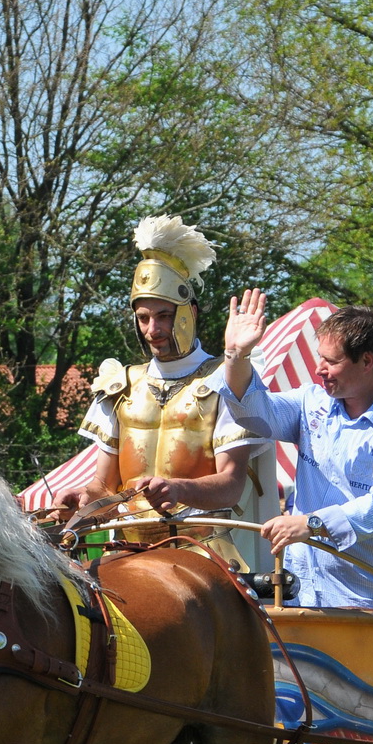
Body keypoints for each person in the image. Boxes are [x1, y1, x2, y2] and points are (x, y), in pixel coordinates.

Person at [208, 291, 373, 611]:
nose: (318, 369)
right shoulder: (310, 402)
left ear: (367, 362)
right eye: (320, 357)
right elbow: (251, 413)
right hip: (299, 598)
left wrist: (312, 524)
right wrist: (236, 354)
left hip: (371, 606)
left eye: (330, 361)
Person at [57, 216, 266, 567]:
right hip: (127, 551)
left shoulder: (225, 381)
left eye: (164, 316)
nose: (153, 329)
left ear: (189, 312)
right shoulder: (119, 385)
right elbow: (105, 487)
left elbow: (231, 485)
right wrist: (84, 496)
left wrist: (179, 489)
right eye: (143, 317)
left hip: (203, 551)